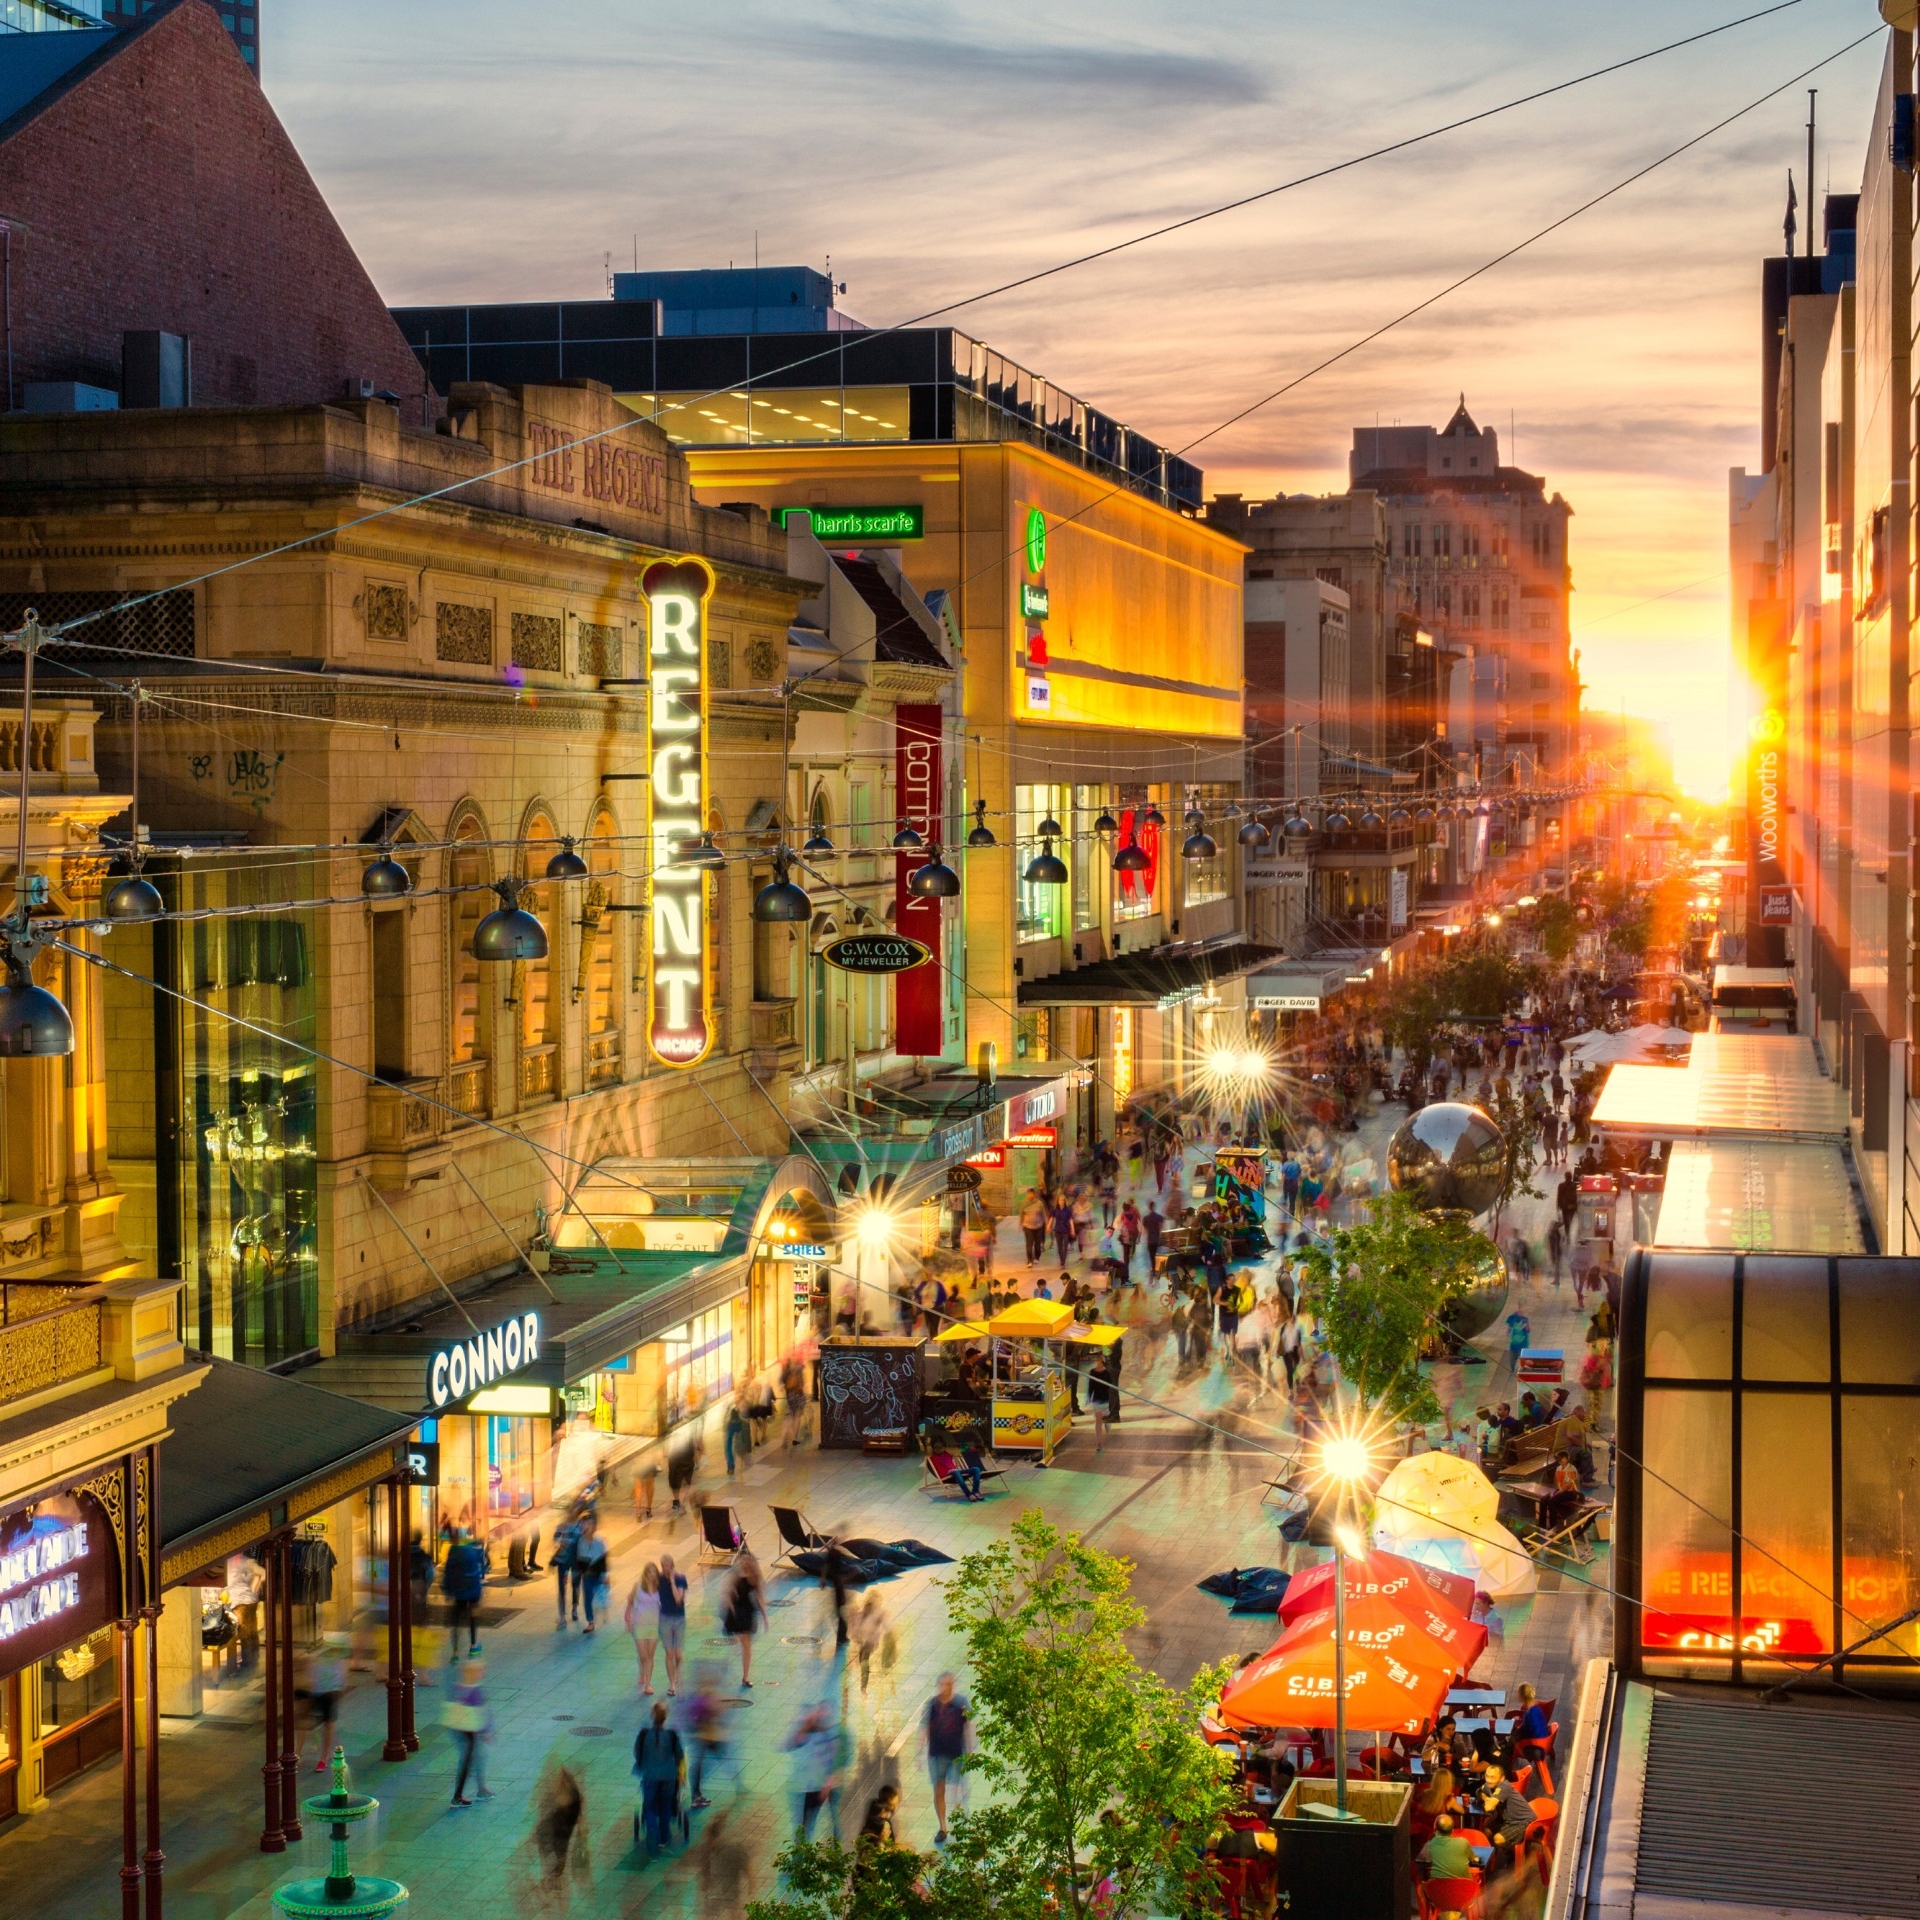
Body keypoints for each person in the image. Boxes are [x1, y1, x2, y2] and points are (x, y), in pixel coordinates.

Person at [632, 1699, 685, 1854]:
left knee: (649, 1806)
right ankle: (664, 1837)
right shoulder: (672, 1735)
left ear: (652, 1716)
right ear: (665, 1717)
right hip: (669, 1777)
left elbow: (637, 1753)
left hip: (650, 1776)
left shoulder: (643, 1735)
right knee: (665, 1806)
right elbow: (680, 1755)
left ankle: (651, 1833)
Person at [786, 1698, 842, 1840]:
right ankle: (802, 1849)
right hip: (811, 1786)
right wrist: (805, 1726)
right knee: (806, 1822)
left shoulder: (831, 1734)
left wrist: (828, 1783)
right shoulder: (808, 1733)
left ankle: (836, 1847)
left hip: (826, 1785)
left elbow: (835, 1759)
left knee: (834, 1820)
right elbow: (790, 1744)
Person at [924, 1671, 971, 1844]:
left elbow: (968, 1726)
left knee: (957, 1788)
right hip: (937, 1754)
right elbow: (924, 1727)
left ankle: (959, 1815)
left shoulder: (960, 1703)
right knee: (939, 1789)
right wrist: (919, 1750)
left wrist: (970, 1748)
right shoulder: (933, 1705)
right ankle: (943, 1827)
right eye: (944, 1684)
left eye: (949, 1684)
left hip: (956, 1752)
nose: (946, 1688)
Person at [443, 1648, 492, 1807]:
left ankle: (480, 1789)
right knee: (469, 1762)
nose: (483, 1672)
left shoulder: (458, 1687)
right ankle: (459, 1797)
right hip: (471, 1731)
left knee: (474, 1758)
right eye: (481, 1670)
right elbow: (482, 1713)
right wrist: (486, 1732)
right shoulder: (475, 1691)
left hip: (460, 1731)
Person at [532, 1759, 587, 1889]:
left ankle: (557, 1874)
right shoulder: (550, 1787)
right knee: (548, 1846)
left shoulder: (569, 1788)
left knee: (560, 1848)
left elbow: (577, 1803)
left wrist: (580, 1821)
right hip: (554, 1818)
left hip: (563, 1820)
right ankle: (553, 1873)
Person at [1471, 1763, 1534, 1873]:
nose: (1489, 1780)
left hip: (1522, 1821)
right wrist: (1486, 1798)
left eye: (1493, 1777)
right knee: (1485, 1832)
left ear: (1502, 1778)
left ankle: (1514, 1855)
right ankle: (1488, 1863)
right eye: (1487, 1776)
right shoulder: (1488, 1786)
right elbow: (1478, 1792)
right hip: (1506, 1819)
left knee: (1498, 1839)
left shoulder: (1504, 1786)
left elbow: (1489, 1808)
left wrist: (1487, 1801)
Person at [722, 1550, 766, 1688]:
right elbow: (727, 1593)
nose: (745, 1563)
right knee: (741, 1640)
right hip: (737, 1609)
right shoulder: (735, 1575)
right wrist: (730, 1607)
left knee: (747, 1644)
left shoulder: (754, 1576)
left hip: (748, 1611)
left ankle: (745, 1676)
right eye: (743, 1560)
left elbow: (760, 1596)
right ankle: (735, 1642)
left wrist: (765, 1616)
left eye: (747, 1560)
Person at [304, 1637, 347, 1770]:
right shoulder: (319, 1660)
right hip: (318, 1694)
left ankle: (324, 1757)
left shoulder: (337, 1662)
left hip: (329, 1695)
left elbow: (341, 1680)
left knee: (328, 1725)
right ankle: (321, 1749)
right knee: (312, 1723)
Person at [441, 1529, 486, 1652]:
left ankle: (455, 1651)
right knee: (473, 1617)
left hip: (459, 1592)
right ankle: (473, 1645)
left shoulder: (452, 1552)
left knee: (456, 1620)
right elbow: (480, 1567)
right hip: (473, 1591)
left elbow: (448, 1572)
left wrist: (447, 1590)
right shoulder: (471, 1549)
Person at [625, 1562, 662, 1694]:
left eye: (654, 1572)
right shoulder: (638, 1585)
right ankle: (642, 1672)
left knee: (650, 1656)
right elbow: (630, 1600)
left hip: (654, 1625)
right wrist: (627, 1618)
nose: (652, 1575)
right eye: (650, 1572)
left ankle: (648, 1684)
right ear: (645, 1573)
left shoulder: (659, 1587)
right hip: (639, 1624)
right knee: (643, 1656)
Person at [657, 1553, 689, 1694]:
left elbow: (678, 1600)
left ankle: (677, 1674)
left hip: (679, 1619)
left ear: (672, 1566)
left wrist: (671, 1582)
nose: (665, 1569)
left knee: (678, 1655)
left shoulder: (680, 1578)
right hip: (665, 1619)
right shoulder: (658, 1579)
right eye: (663, 1567)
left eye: (667, 1566)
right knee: (669, 1653)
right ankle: (672, 1684)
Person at [575, 1515, 609, 1633]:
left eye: (589, 1524)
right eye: (584, 1524)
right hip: (587, 1575)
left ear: (594, 1527)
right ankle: (590, 1622)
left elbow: (604, 1560)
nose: (586, 1526)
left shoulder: (599, 1542)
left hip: (598, 1574)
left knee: (600, 1595)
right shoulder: (581, 1542)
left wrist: (605, 1575)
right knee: (587, 1598)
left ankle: (602, 1610)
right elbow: (580, 1559)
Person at [1419, 1812, 1476, 1882]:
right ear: (1452, 1831)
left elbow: (1423, 1861)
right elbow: (1472, 1858)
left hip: (1437, 1888)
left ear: (1435, 1829)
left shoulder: (1430, 1845)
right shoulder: (1463, 1842)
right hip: (1464, 1888)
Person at [550, 1509, 582, 1629]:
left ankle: (574, 1608)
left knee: (575, 1585)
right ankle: (562, 1616)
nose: (570, 1515)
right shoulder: (561, 1527)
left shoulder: (579, 1526)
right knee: (562, 1588)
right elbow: (556, 1540)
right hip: (563, 1561)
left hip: (575, 1561)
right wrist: (561, 1541)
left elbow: (582, 1542)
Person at [1088, 1350, 1117, 1451]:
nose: (1097, 1361)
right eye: (1096, 1360)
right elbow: (1091, 1386)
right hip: (1097, 1400)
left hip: (1106, 1400)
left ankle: (1108, 1434)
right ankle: (1099, 1442)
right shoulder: (1092, 1372)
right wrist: (1088, 1397)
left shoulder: (1108, 1372)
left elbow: (1111, 1387)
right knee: (1098, 1421)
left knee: (1106, 1421)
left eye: (1099, 1360)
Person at [723, 1395, 751, 1477]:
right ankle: (732, 1465)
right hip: (733, 1426)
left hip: (735, 1426)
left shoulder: (740, 1404)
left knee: (731, 1446)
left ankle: (732, 1466)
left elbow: (745, 1418)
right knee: (730, 1446)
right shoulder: (734, 1404)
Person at [1019, 1188, 1047, 1265]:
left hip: (1038, 1226)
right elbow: (1021, 1215)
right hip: (1027, 1227)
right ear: (1027, 1195)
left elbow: (1043, 1214)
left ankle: (1037, 1257)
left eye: (1031, 1194)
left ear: (1034, 1194)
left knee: (1037, 1244)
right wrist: (1020, 1225)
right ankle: (1029, 1260)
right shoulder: (1023, 1204)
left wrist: (1047, 1224)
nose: (1030, 1195)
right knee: (1029, 1244)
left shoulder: (1039, 1203)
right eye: (1028, 1194)